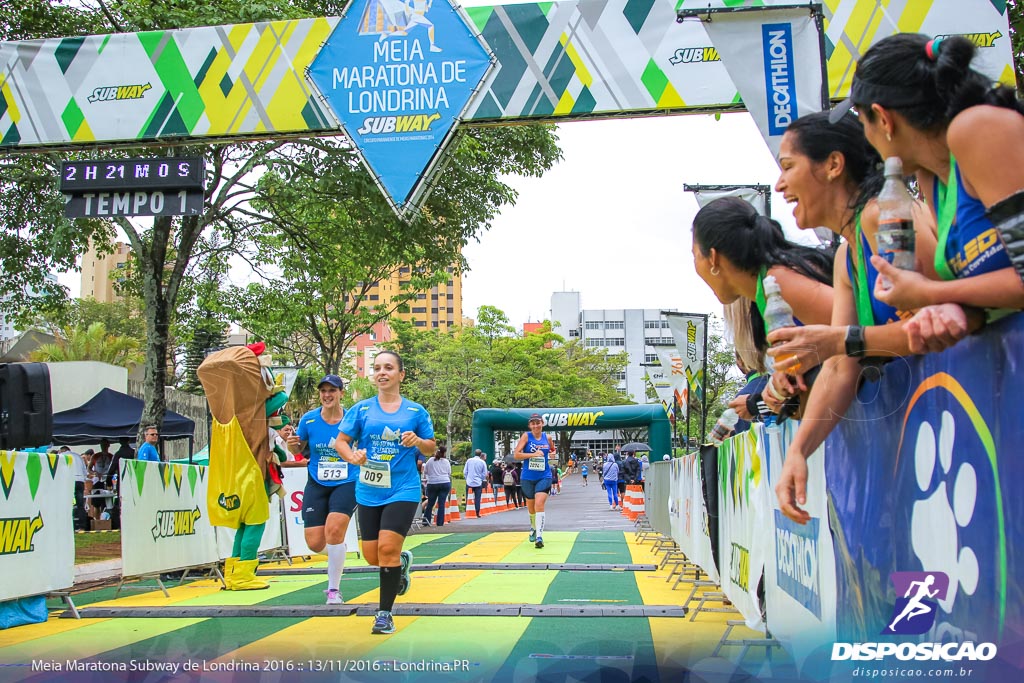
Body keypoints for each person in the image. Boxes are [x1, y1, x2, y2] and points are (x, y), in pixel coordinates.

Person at [829, 33, 1024, 351]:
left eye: (863, 122)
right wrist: (947, 312)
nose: (866, 138)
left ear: (883, 118)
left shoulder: (977, 128)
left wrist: (930, 294)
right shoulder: (931, 177)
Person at [691, 196, 835, 415]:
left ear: (713, 258)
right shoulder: (764, 295)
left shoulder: (780, 282)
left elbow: (860, 335)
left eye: (694, 255)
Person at [334, 351, 436, 635]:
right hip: (368, 489)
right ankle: (402, 565)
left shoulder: (416, 412)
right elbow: (341, 442)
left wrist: (418, 441)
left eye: (388, 368)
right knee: (372, 556)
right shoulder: (362, 410)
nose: (382, 372)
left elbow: (431, 448)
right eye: (377, 368)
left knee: (388, 549)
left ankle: (384, 613)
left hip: (403, 489)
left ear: (400, 375)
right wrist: (352, 455)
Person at [288, 375, 354, 605]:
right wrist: (290, 443)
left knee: (334, 530)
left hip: (347, 481)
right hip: (317, 481)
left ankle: (333, 591)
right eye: (323, 391)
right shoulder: (309, 420)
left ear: (341, 393)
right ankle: (339, 551)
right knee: (314, 543)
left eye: (332, 391)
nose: (327, 395)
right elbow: (298, 447)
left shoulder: (351, 418)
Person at [513, 413, 553, 548]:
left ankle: (539, 537)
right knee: (531, 508)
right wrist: (533, 454)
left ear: (542, 423)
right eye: (533, 423)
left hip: (544, 475)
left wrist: (551, 453)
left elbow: (552, 449)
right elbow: (517, 455)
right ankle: (533, 527)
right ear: (530, 425)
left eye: (538, 423)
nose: (536, 426)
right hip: (528, 477)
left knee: (539, 504)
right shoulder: (526, 436)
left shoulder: (548, 437)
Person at [421, 445, 451, 527]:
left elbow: (426, 472)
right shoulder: (446, 462)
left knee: (430, 503)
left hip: (432, 483)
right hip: (444, 482)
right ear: (444, 453)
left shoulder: (430, 460)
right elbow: (449, 473)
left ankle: (426, 521)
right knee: (441, 503)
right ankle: (440, 523)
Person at [464, 449, 488, 518]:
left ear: (474, 453)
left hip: (469, 482)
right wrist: (481, 479)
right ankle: (477, 512)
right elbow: (485, 473)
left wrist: (467, 478)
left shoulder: (469, 461)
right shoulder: (482, 462)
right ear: (481, 455)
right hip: (478, 482)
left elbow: (465, 471)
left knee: (468, 497)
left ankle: (468, 510)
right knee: (477, 498)